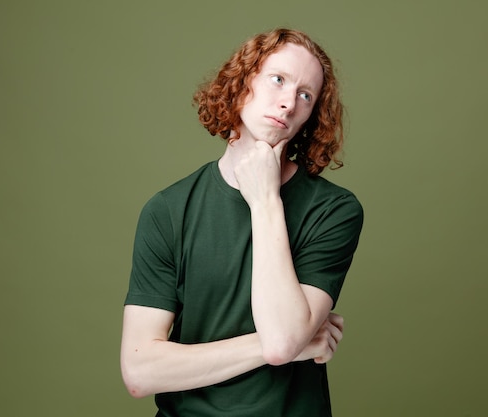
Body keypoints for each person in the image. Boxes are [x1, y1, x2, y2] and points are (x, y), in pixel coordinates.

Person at [120, 28, 364, 416]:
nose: (288, 103)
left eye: (305, 95)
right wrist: (280, 344)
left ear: (310, 115)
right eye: (278, 79)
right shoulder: (167, 209)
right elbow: (139, 371)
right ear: (242, 81)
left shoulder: (333, 210)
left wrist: (265, 198)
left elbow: (283, 341)